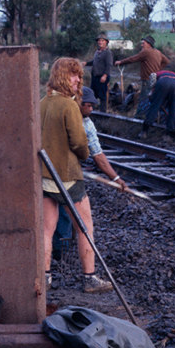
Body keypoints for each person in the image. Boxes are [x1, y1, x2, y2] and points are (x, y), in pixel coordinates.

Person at [40, 57, 112, 294]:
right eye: (75, 75)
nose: (79, 79)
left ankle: (45, 276)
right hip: (69, 177)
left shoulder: (42, 103)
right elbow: (80, 143)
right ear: (63, 76)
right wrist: (83, 155)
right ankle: (89, 278)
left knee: (46, 230)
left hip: (45, 176)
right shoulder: (69, 105)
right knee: (85, 227)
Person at [52, 87, 130, 262]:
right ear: (78, 103)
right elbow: (98, 158)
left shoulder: (80, 120)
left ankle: (58, 252)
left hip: (58, 169)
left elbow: (98, 155)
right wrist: (116, 179)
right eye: (88, 105)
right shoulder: (79, 122)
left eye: (93, 106)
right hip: (61, 172)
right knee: (66, 210)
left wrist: (116, 178)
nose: (91, 109)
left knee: (59, 209)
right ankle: (61, 253)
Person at [114, 35, 170, 116]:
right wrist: (158, 70)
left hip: (147, 80)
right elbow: (167, 61)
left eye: (143, 43)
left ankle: (139, 116)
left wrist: (120, 62)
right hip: (156, 79)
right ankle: (153, 116)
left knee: (144, 98)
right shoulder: (158, 52)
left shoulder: (146, 52)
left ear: (149, 44)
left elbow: (132, 59)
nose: (142, 45)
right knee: (153, 98)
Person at [139, 69, 175, 138]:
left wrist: (152, 90)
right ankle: (169, 135)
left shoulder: (159, 73)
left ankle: (144, 132)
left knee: (155, 106)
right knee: (173, 109)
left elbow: (152, 75)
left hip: (163, 83)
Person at [85, 33, 114, 113]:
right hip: (95, 77)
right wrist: (86, 63)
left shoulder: (108, 53)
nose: (100, 42)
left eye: (102, 41)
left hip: (102, 78)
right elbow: (94, 62)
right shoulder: (97, 51)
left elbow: (109, 65)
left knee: (102, 96)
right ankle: (92, 112)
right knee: (93, 95)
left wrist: (105, 76)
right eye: (99, 40)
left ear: (106, 42)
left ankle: (103, 113)